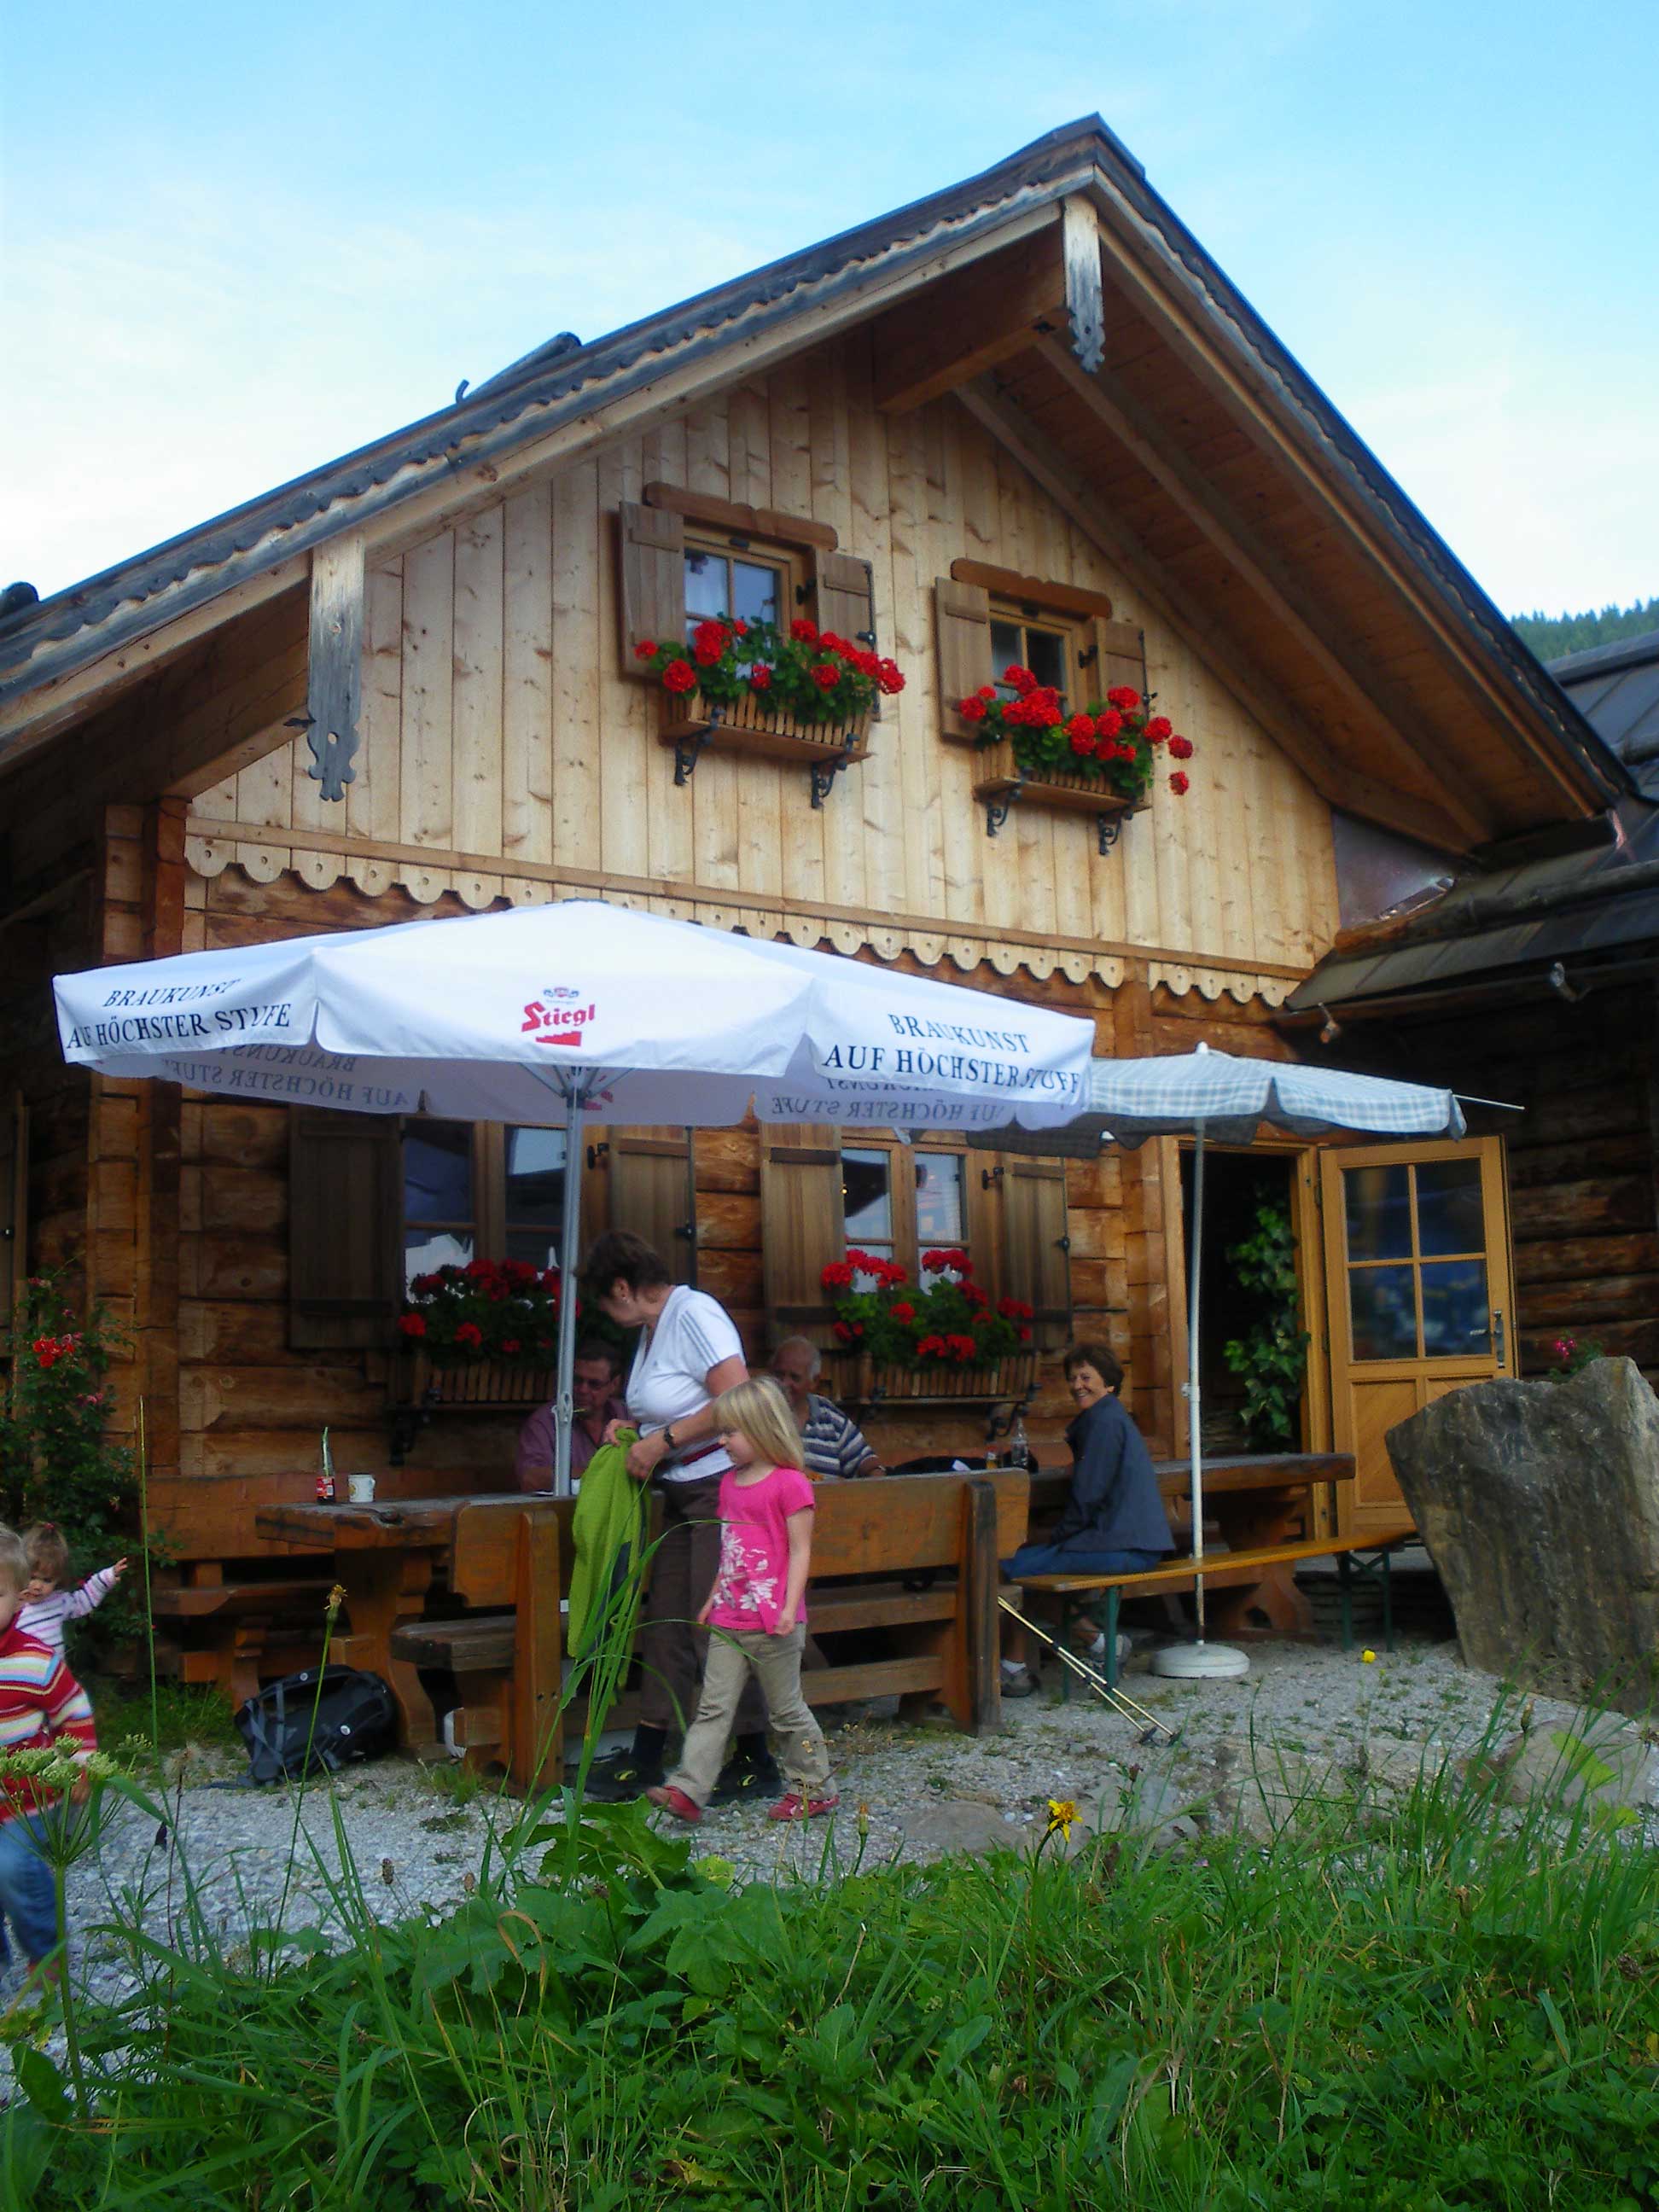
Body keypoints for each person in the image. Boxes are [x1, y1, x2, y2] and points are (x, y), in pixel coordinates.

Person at [579, 1231, 780, 1806]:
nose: (607, 1315)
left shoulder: (693, 1314)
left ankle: (752, 1755)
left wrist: (662, 1437)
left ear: (623, 1287)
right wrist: (636, 1434)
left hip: (722, 1490)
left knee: (717, 1622)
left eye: (606, 1301)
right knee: (664, 1621)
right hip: (678, 1492)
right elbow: (677, 1405)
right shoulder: (654, 1329)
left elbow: (737, 1398)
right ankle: (648, 1752)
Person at [647, 1377, 835, 1825]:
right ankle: (690, 1788)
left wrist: (790, 1609)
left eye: (731, 1432)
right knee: (713, 1705)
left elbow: (800, 1551)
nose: (723, 1441)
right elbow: (730, 1546)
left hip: (773, 1621)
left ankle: (815, 1786)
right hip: (731, 1617)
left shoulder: (791, 1485)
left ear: (761, 1428)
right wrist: (714, 1594)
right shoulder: (729, 1485)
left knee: (786, 1708)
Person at [999, 1343, 1175, 1697]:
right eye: (1072, 1378)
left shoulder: (1104, 1423)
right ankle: (1019, 1664)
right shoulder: (1110, 1419)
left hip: (1123, 1544)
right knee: (1033, 1568)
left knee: (1011, 1568)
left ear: (1109, 1383)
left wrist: (1055, 1538)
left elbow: (1087, 1497)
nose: (1077, 1385)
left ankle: (1087, 1648)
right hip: (1129, 1541)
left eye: (1086, 1377)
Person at [0, 1522, 99, 1990]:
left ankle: (46, 1951)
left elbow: (72, 1710)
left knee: (16, 1870)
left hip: (26, 1796)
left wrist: (80, 1764)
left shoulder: (34, 1660)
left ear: (19, 1598)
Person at [515, 1338, 628, 1491]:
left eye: (594, 1384)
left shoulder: (624, 1414)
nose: (583, 1389)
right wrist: (600, 1472)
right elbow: (531, 1478)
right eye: (576, 1380)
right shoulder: (545, 1421)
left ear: (614, 1384)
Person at [768, 1337, 885, 1481]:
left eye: (795, 1377)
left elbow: (865, 1459)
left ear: (814, 1382)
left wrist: (876, 1476)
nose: (785, 1383)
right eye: (779, 1375)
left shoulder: (829, 1415)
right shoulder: (759, 1413)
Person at [17, 1525, 126, 1656]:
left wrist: (107, 1577)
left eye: (47, 1580)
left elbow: (84, 1599)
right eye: (32, 1577)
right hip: (22, 1672)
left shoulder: (58, 1601)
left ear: (58, 1579)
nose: (37, 1586)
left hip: (51, 1672)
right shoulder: (11, 1604)